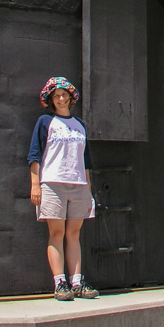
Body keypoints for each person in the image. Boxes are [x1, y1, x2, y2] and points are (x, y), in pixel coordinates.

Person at [27, 77, 99, 300]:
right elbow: (34, 155)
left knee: (74, 234)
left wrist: (88, 190)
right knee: (56, 234)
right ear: (51, 99)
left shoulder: (80, 125)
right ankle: (60, 283)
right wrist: (35, 185)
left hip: (77, 184)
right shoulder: (45, 122)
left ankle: (76, 282)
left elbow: (85, 160)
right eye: (56, 95)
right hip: (52, 183)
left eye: (63, 95)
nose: (60, 99)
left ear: (70, 97)